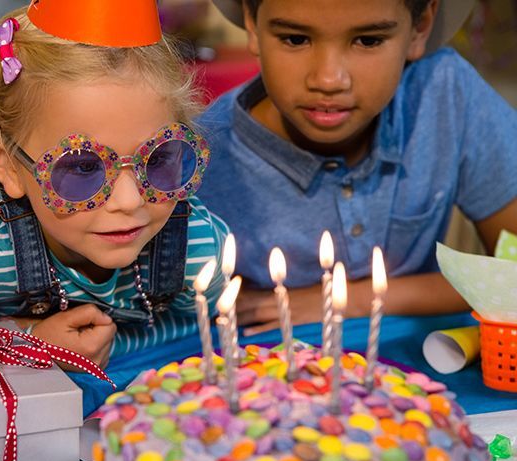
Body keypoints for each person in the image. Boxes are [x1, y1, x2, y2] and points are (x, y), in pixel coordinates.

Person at [0, 2, 229, 367]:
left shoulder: (198, 249)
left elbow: (205, 337)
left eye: (158, 158)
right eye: (84, 166)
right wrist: (26, 337)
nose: (130, 201)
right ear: (6, 164)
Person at [199, 0, 517, 331]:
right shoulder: (202, 161)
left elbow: (512, 275)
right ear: (252, 24)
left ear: (420, 26)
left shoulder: (445, 91)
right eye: (295, 39)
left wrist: (345, 299)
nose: (329, 79)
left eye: (368, 40)